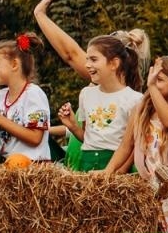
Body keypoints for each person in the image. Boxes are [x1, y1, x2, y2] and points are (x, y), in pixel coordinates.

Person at [107, 56, 168, 231]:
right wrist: (108, 172)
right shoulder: (140, 109)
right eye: (153, 78)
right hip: (156, 194)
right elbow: (126, 145)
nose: (154, 83)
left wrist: (151, 87)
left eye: (160, 80)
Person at [57, 34, 142, 172]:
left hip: (115, 167)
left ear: (114, 63)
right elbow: (89, 139)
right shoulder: (86, 94)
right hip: (86, 164)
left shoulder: (134, 99)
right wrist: (72, 126)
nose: (87, 65)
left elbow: (134, 145)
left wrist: (118, 171)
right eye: (87, 60)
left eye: (94, 59)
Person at [0, 34, 52, 162]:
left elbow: (36, 138)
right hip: (5, 166)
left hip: (32, 166)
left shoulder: (33, 94)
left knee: (15, 162)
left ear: (14, 64)